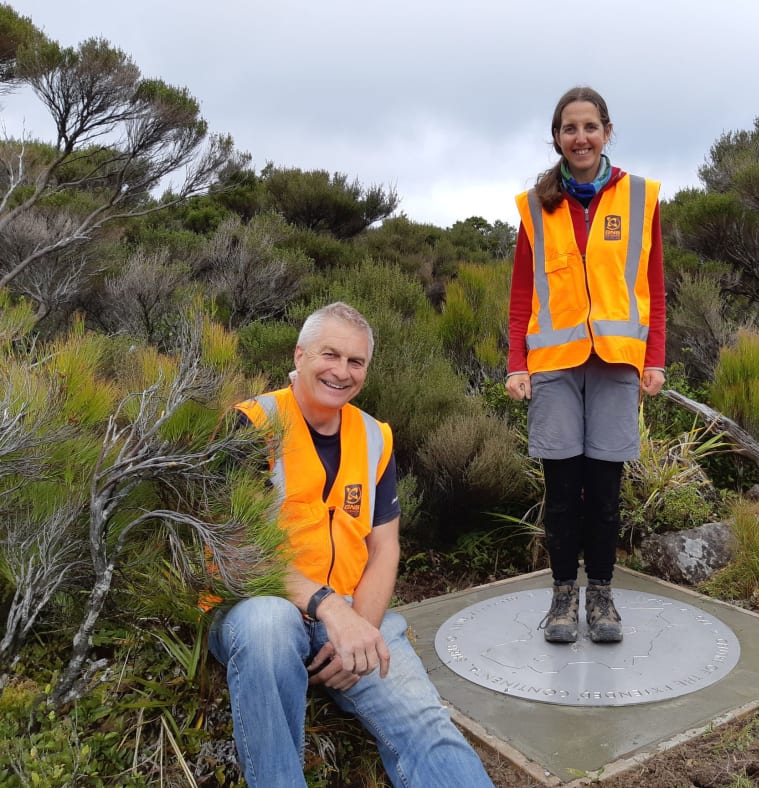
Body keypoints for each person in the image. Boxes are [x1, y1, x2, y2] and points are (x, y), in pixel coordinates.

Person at [207, 302, 493, 788]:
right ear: (299, 355)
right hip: (260, 605)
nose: (341, 371)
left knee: (426, 722)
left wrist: (360, 625)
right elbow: (236, 550)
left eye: (355, 361)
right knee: (268, 625)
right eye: (329, 355)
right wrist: (329, 611)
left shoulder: (374, 437)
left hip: (348, 611)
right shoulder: (252, 425)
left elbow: (385, 548)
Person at [505, 86, 666, 644]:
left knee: (604, 491)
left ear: (607, 131)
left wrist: (656, 358)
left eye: (590, 127)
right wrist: (515, 364)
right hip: (553, 365)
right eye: (569, 129)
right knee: (561, 489)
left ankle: (601, 594)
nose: (581, 137)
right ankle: (561, 599)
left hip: (617, 364)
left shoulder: (641, 197)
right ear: (557, 137)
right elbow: (522, 293)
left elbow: (655, 287)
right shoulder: (536, 204)